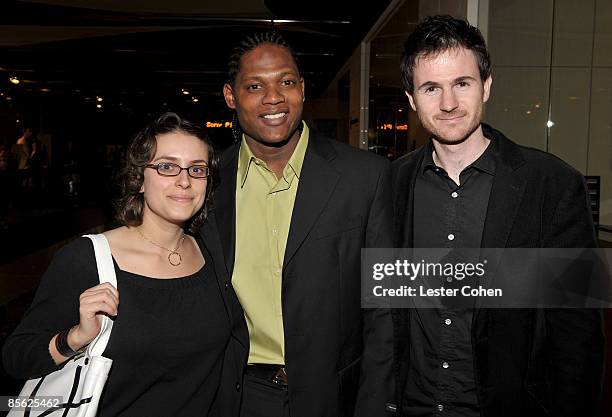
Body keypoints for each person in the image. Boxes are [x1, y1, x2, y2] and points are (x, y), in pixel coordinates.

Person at [391, 15, 604, 417]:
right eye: (431, 88)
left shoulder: (554, 185)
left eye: (462, 84)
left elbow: (579, 336)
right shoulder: (392, 184)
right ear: (411, 98)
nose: (449, 103)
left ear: (486, 86)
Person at [201, 31, 394, 417]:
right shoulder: (207, 183)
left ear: (303, 89)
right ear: (230, 96)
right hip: (241, 395)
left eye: (286, 82)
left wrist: (377, 405)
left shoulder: (365, 177)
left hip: (336, 395)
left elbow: (385, 309)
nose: (273, 98)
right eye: (255, 86)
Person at [3, 112, 245, 417]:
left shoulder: (212, 253)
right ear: (139, 179)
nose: (184, 181)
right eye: (167, 167)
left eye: (197, 169)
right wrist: (75, 337)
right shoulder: (87, 258)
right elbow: (16, 358)